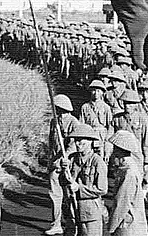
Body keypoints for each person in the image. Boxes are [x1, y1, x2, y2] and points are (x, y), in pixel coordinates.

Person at [59, 124, 108, 236]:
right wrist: (63, 170)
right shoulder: (71, 159)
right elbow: (63, 183)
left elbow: (102, 189)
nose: (77, 143)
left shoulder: (97, 162)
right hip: (72, 210)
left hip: (90, 213)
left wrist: (79, 188)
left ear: (90, 141)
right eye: (76, 140)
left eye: (81, 140)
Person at [46, 94, 81, 236]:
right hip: (55, 165)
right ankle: (56, 224)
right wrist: (51, 160)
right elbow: (51, 142)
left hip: (69, 166)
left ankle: (74, 223)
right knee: (55, 196)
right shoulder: (54, 122)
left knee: (70, 196)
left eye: (58, 108)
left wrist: (64, 157)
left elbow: (74, 145)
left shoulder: (74, 123)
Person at [107, 130, 148, 236]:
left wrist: (111, 226)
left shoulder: (128, 172)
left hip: (128, 223)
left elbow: (122, 202)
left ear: (119, 151)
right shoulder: (128, 167)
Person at [80, 79, 113, 161]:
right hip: (89, 135)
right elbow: (81, 124)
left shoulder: (106, 107)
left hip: (102, 136)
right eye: (93, 90)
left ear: (102, 92)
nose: (96, 93)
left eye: (98, 91)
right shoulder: (85, 107)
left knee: (101, 158)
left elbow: (110, 126)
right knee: (87, 157)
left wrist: (107, 139)